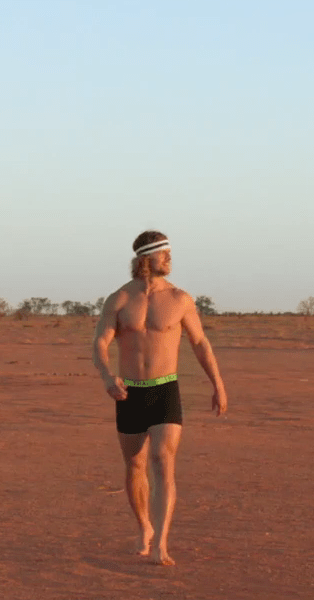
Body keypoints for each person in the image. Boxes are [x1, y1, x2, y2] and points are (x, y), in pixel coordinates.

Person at [91, 230, 228, 566]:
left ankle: (162, 543)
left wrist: (218, 384)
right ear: (145, 259)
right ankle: (144, 530)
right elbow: (100, 344)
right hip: (129, 393)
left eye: (169, 253)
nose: (169, 259)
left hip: (165, 389)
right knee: (134, 465)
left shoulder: (181, 299)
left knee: (162, 461)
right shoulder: (119, 299)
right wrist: (108, 378)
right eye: (163, 254)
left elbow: (200, 343)